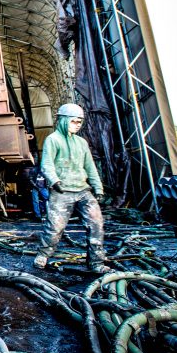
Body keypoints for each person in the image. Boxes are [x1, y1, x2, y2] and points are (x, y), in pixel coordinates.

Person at [33, 103, 108, 273]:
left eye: (79, 122)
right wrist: (54, 181)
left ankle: (96, 263)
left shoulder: (81, 143)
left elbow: (90, 167)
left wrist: (98, 188)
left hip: (83, 191)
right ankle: (43, 255)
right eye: (73, 121)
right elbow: (46, 164)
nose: (77, 124)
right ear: (63, 120)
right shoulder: (53, 140)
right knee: (54, 227)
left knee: (96, 225)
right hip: (61, 191)